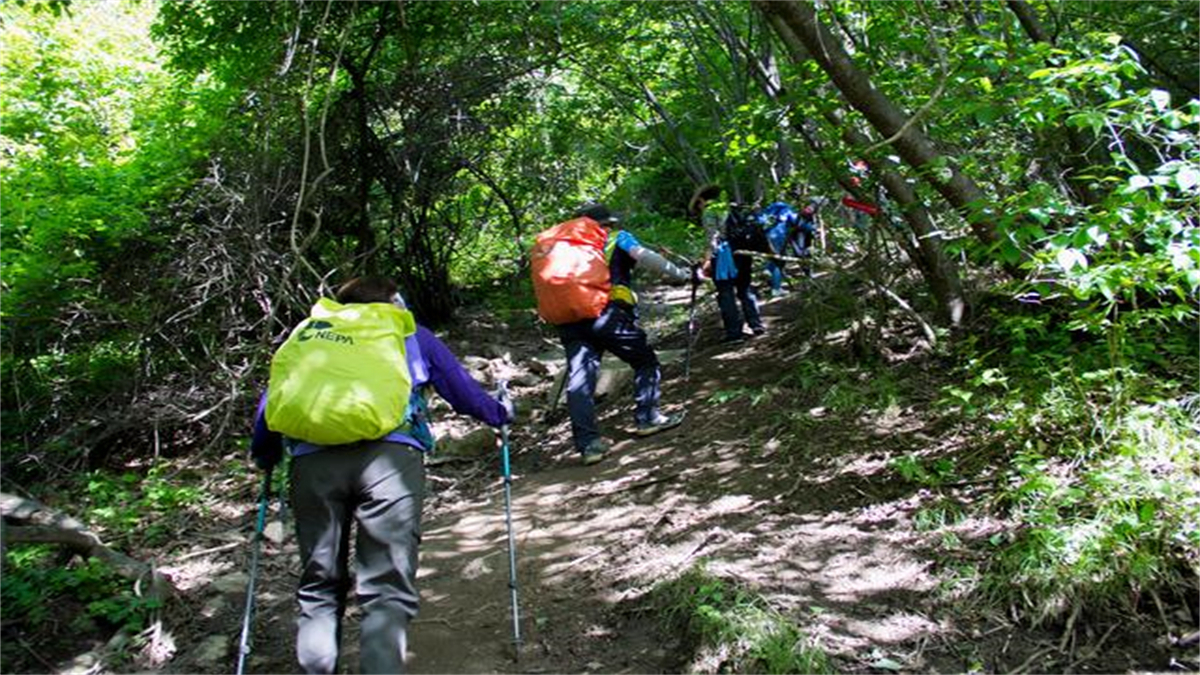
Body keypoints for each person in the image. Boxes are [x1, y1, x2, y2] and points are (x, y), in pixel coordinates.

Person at [249, 276, 513, 674]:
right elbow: (460, 391)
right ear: (394, 300)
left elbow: (273, 401)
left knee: (319, 584)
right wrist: (499, 414)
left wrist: (265, 455)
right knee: (387, 586)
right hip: (391, 461)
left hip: (312, 463)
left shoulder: (311, 336)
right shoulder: (409, 334)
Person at [555, 203, 694, 465]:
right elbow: (646, 257)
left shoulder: (562, 246)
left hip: (569, 320)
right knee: (645, 360)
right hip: (607, 314)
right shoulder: (616, 238)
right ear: (606, 223)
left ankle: (588, 446)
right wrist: (681, 275)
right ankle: (648, 417)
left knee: (580, 380)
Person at [689, 184, 764, 343]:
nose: (699, 208)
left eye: (698, 205)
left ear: (702, 199)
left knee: (726, 293)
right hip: (743, 252)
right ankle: (756, 324)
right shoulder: (731, 208)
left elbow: (712, 239)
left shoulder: (710, 212)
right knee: (745, 288)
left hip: (724, 256)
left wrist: (707, 261)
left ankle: (734, 333)